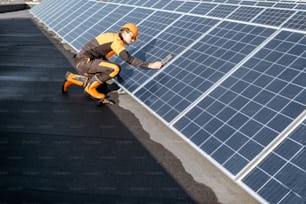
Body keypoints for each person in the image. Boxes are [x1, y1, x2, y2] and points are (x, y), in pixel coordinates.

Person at [62, 23, 163, 103]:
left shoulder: (112, 36)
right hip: (85, 62)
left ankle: (71, 78)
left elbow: (102, 57)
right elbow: (129, 59)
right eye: (132, 37)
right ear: (125, 32)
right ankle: (89, 89)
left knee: (102, 87)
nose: (133, 40)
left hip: (84, 61)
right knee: (115, 68)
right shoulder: (116, 42)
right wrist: (151, 65)